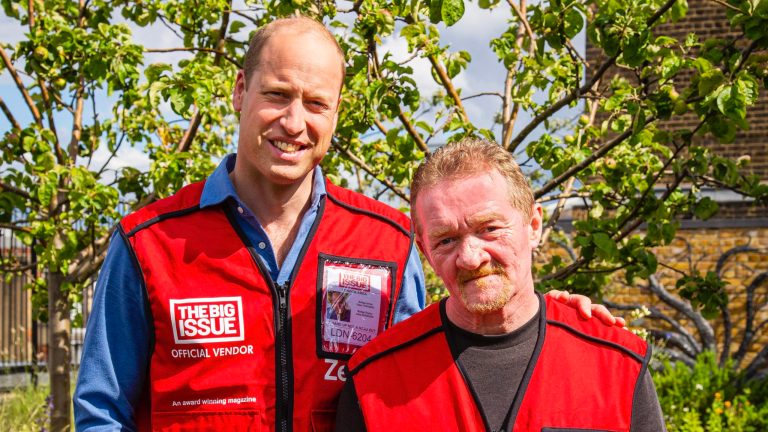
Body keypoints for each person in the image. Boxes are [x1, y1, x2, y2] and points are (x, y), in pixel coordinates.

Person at [74, 17, 621, 432]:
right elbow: (102, 411)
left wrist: (544, 311)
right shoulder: (149, 243)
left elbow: (433, 362)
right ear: (241, 90)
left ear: (335, 114)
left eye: (316, 103)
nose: (294, 122)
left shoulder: (386, 242)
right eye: (276, 95)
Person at [335, 138, 666, 431]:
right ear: (425, 251)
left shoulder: (617, 364)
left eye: (489, 228)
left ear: (533, 225)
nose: (470, 257)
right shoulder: (375, 380)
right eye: (446, 240)